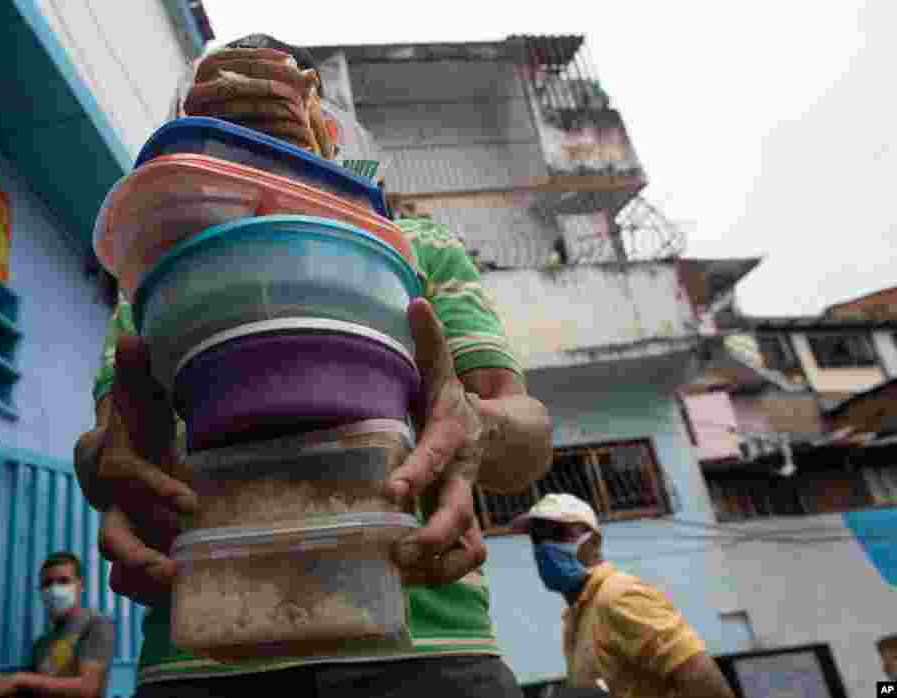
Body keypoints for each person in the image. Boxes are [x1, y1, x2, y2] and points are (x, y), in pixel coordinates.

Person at [73, 33, 555, 698]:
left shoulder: (416, 247)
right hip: (205, 653)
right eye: (220, 132)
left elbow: (527, 437)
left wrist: (474, 422)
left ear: (328, 135)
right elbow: (112, 445)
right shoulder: (152, 269)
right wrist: (104, 465)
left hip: (427, 647)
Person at [514, 494, 736, 698]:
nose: (544, 547)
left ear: (594, 543)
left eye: (558, 534)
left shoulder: (618, 596)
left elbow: (705, 683)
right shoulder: (578, 616)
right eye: (537, 539)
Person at [0, 552, 116, 698]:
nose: (55, 589)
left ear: (80, 586)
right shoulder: (41, 644)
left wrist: (19, 680)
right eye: (47, 583)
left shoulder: (96, 624)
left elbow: (88, 689)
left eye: (64, 581)